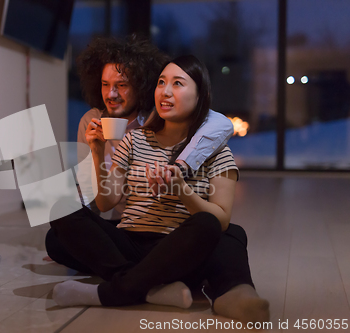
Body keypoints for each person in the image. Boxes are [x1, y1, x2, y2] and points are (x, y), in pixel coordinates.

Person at [50, 55, 270, 324]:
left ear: (200, 95)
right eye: (161, 82)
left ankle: (114, 291)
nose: (165, 91)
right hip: (130, 242)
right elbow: (107, 203)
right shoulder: (134, 139)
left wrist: (180, 188)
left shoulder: (217, 152)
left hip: (178, 251)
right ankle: (148, 287)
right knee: (61, 208)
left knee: (220, 228)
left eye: (178, 84)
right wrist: (97, 153)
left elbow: (221, 218)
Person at [45, 36, 234, 269]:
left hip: (164, 226)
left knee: (228, 236)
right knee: (55, 239)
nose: (111, 94)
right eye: (105, 84)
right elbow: (96, 199)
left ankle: (130, 275)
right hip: (122, 225)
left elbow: (220, 123)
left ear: (142, 84)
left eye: (121, 85)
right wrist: (78, 233)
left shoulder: (159, 117)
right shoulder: (92, 121)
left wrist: (182, 167)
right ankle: (142, 275)